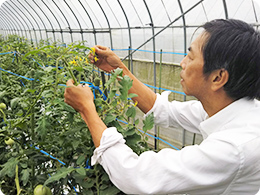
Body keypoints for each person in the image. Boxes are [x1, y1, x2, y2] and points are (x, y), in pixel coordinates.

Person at [64, 19, 260, 194]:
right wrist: (118, 69)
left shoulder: (234, 149)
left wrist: (86, 109)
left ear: (218, 77)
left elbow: (135, 176)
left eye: (191, 58)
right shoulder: (231, 108)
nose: (182, 63)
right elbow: (161, 109)